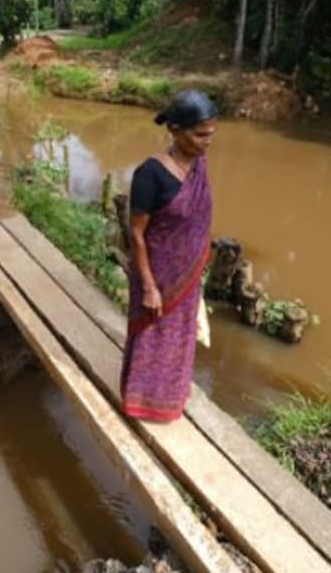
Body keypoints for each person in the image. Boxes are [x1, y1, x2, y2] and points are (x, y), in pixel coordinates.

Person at [121, 89, 218, 422]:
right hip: (156, 274)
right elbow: (136, 233)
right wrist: (148, 286)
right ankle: (141, 404)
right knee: (152, 338)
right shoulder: (150, 174)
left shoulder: (198, 165)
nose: (207, 142)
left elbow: (198, 218)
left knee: (179, 339)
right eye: (200, 134)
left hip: (185, 275)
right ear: (175, 130)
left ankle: (171, 397)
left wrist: (195, 263)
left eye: (211, 135)